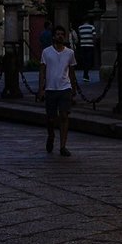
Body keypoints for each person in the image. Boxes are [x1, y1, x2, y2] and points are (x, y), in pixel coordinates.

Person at [38, 24, 78, 157]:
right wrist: (41, 89)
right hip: (50, 88)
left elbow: (72, 72)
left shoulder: (70, 53)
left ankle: (63, 146)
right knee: (50, 118)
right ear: (53, 36)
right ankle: (51, 135)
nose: (60, 36)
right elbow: (42, 71)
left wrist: (73, 88)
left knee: (64, 116)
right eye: (57, 34)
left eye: (62, 34)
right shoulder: (46, 52)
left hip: (64, 87)